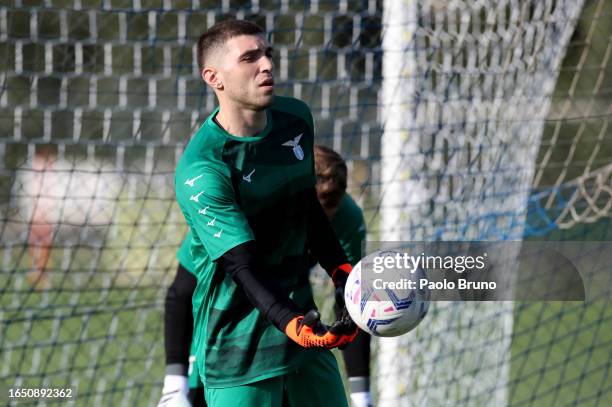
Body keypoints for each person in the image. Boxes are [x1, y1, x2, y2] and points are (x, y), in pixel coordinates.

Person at [171, 19, 357, 407]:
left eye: (268, 53)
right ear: (214, 78)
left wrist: (343, 274)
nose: (267, 64)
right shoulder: (202, 169)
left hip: (304, 340)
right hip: (238, 353)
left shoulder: (295, 119)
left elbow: (305, 205)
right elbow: (242, 265)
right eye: (249, 57)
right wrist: (291, 323)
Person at [159, 146, 372, 407]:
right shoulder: (232, 215)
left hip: (290, 345)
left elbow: (354, 306)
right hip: (224, 343)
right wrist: (174, 385)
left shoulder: (345, 216)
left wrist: (363, 398)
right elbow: (180, 293)